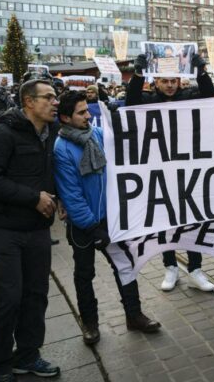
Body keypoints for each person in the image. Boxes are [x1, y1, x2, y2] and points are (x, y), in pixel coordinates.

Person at [0, 80, 61, 382]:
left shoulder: (49, 133)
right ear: (28, 102)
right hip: (4, 230)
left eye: (56, 97)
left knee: (36, 295)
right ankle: (1, 367)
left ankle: (27, 356)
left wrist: (59, 199)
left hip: (37, 229)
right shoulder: (1, 133)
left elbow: (47, 172)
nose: (55, 102)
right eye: (49, 97)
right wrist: (33, 198)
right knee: (9, 299)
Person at [54, 91, 161, 346]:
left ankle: (134, 316)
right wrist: (92, 227)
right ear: (66, 117)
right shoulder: (62, 149)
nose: (88, 116)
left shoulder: (97, 135)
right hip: (84, 226)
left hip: (110, 220)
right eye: (81, 113)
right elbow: (72, 195)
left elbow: (123, 156)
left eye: (87, 110)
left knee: (125, 266)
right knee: (84, 274)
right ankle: (90, 325)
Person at [126, 51, 214, 293]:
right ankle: (171, 267)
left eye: (173, 81)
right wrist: (137, 74)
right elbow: (130, 101)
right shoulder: (147, 100)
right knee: (165, 221)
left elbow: (210, 97)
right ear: (155, 81)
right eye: (164, 81)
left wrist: (202, 71)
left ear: (180, 81)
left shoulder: (190, 96)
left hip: (188, 171)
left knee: (192, 221)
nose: (168, 85)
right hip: (159, 171)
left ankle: (195, 269)